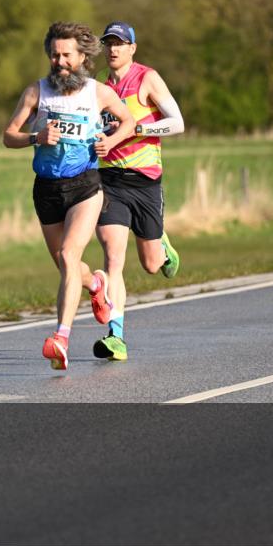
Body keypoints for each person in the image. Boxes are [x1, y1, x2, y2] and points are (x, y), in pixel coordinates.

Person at [3, 22, 136, 371]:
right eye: (54, 54)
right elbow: (8, 135)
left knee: (68, 253)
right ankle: (96, 283)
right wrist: (35, 137)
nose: (59, 61)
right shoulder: (37, 92)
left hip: (84, 185)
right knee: (66, 266)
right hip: (46, 187)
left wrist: (112, 141)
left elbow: (128, 121)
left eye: (66, 55)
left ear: (82, 57)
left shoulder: (97, 93)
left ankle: (60, 338)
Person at [93, 21, 185, 363]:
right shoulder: (100, 85)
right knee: (113, 259)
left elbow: (177, 122)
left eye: (120, 43)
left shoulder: (147, 78)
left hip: (145, 181)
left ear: (132, 47)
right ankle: (116, 337)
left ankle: (161, 244)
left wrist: (139, 128)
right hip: (109, 182)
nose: (113, 49)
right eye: (109, 44)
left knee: (150, 265)